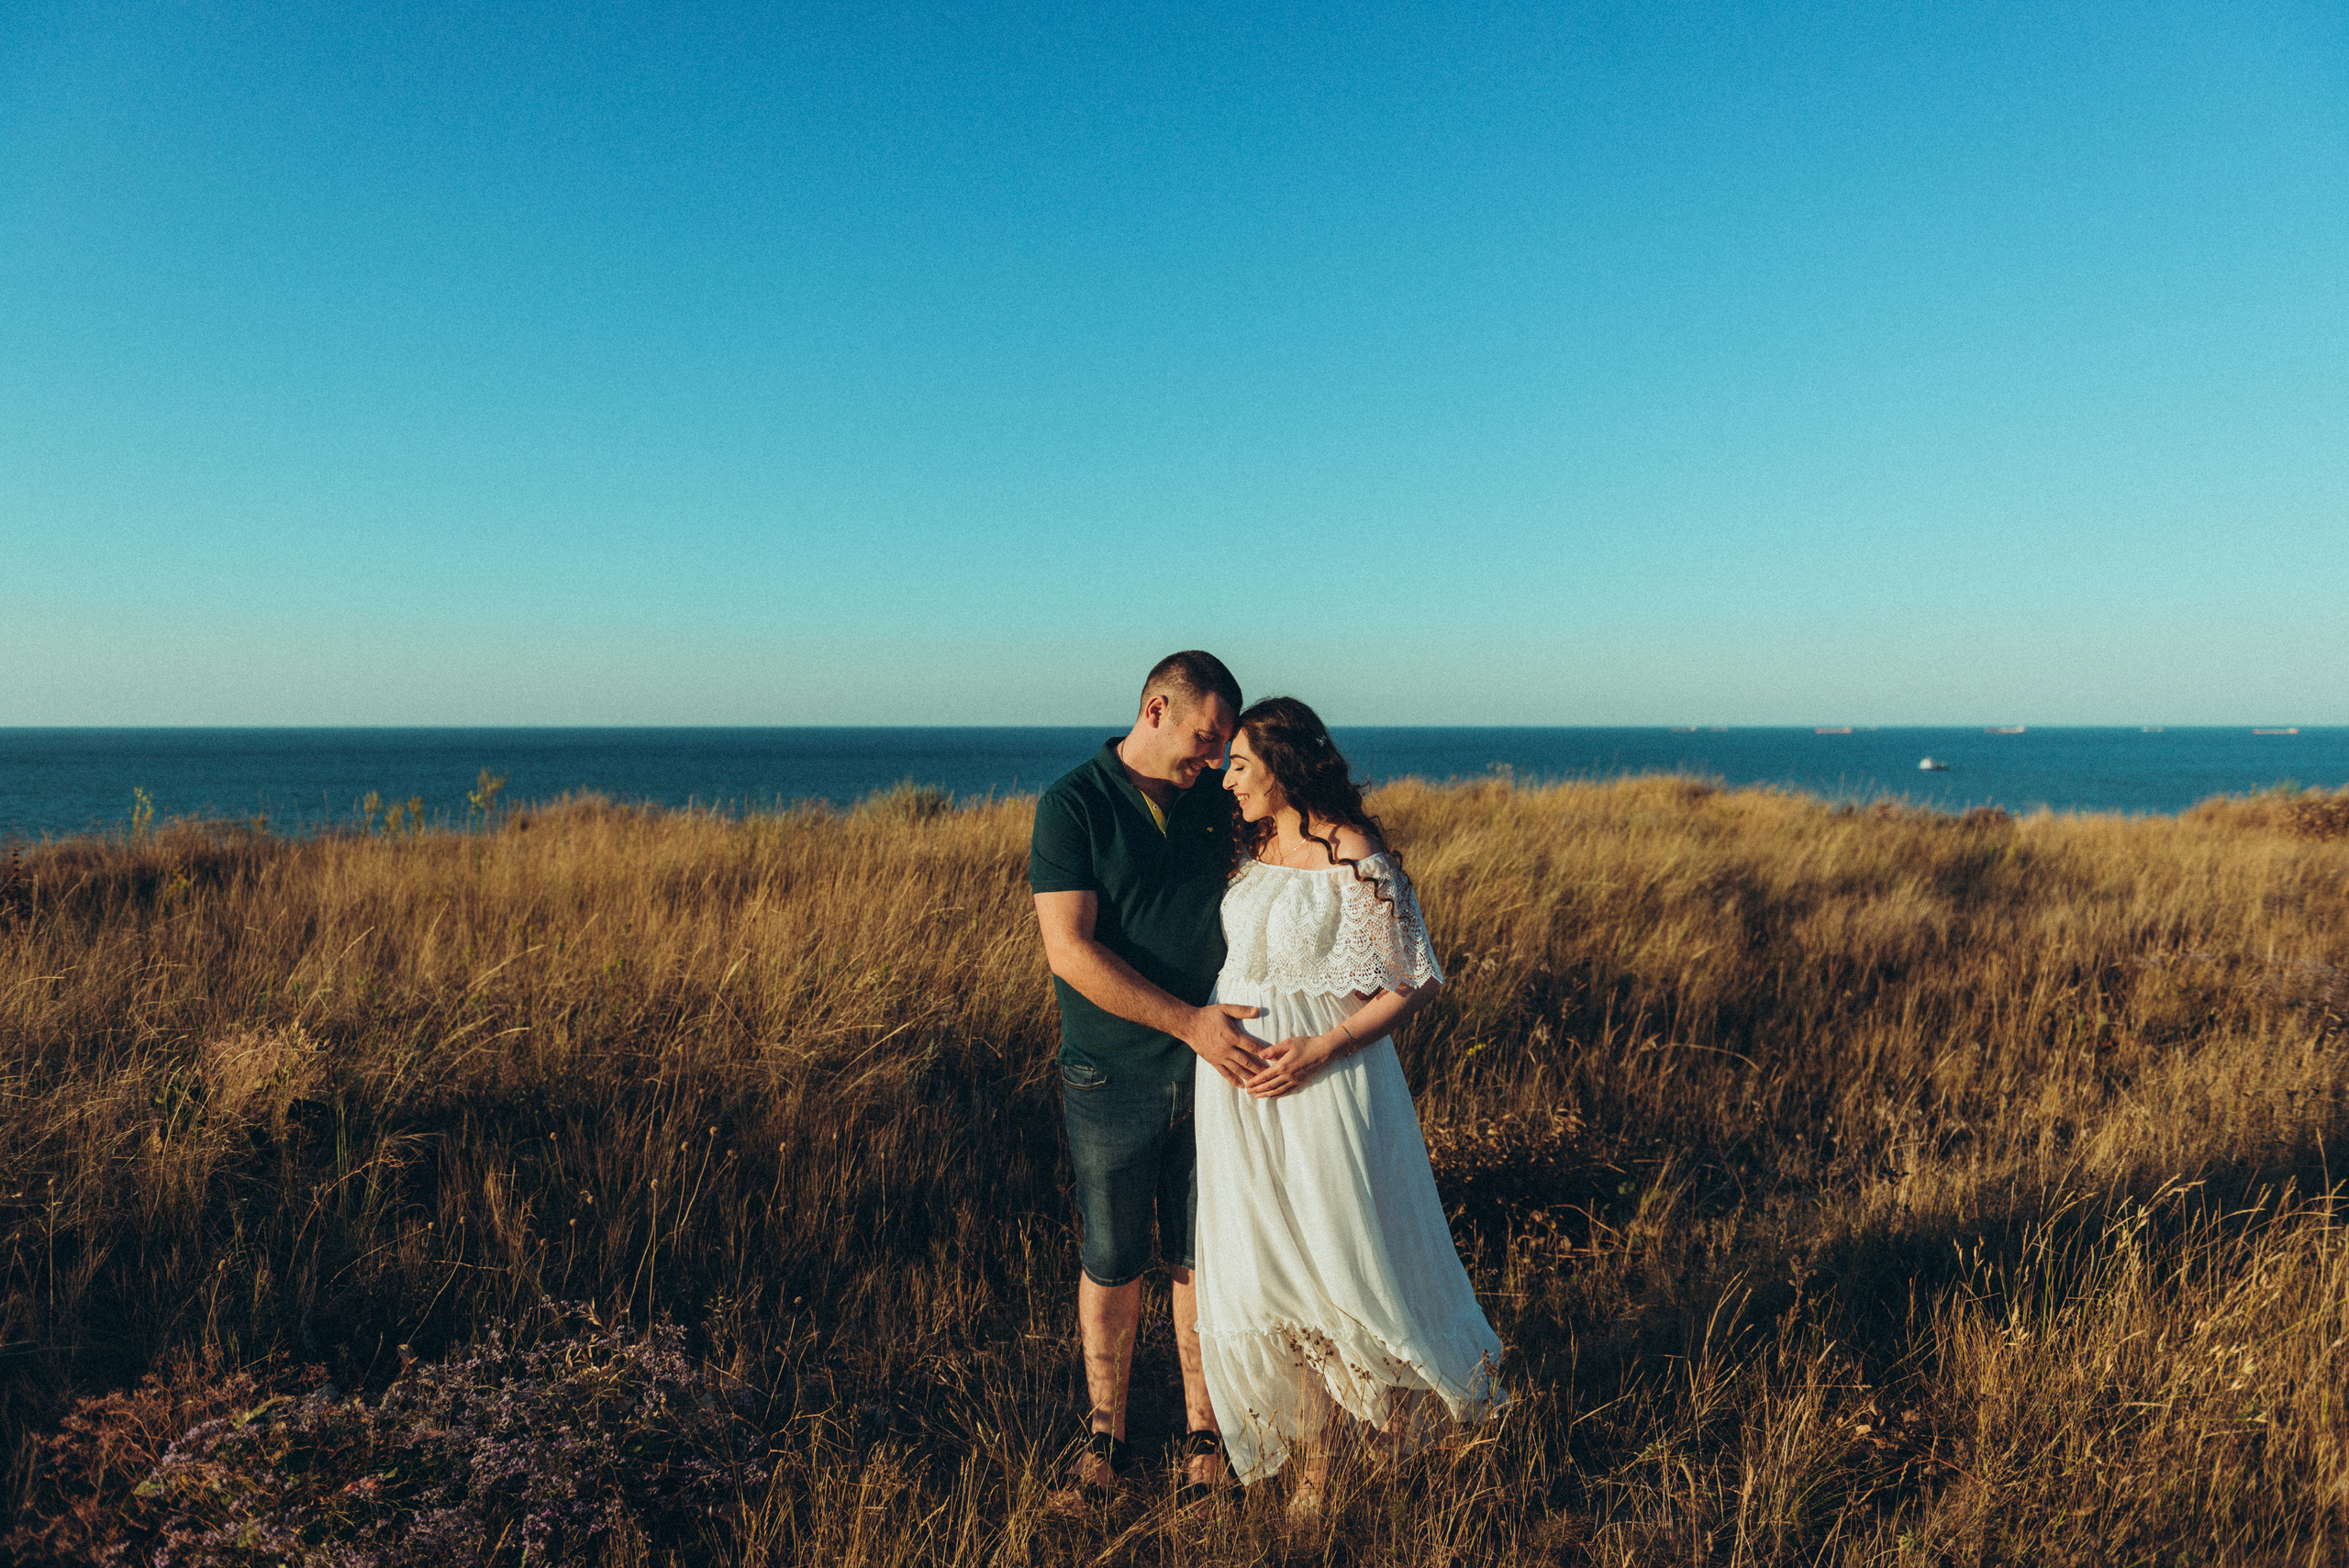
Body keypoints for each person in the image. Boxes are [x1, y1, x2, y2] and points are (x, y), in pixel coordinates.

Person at [1195, 695, 1507, 1515]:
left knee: (1339, 1253)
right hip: (1234, 1086)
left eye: (1241, 764)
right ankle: (1317, 1461)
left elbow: (1412, 980)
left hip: (1325, 1079)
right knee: (1267, 1266)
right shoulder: (1251, 840)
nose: (1228, 780)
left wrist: (1321, 1048)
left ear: (1286, 764)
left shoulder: (1353, 849)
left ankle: (1365, 1456)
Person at [1029, 651, 1264, 1506]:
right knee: (1114, 1257)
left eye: (1224, 747)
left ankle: (1207, 1433)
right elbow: (1071, 951)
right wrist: (1189, 1023)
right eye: (1205, 738)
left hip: (1217, 1075)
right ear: (1156, 708)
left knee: (1203, 1260)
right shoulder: (1073, 804)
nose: (1212, 759)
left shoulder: (1215, 802)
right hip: (1110, 1074)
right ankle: (1106, 1438)